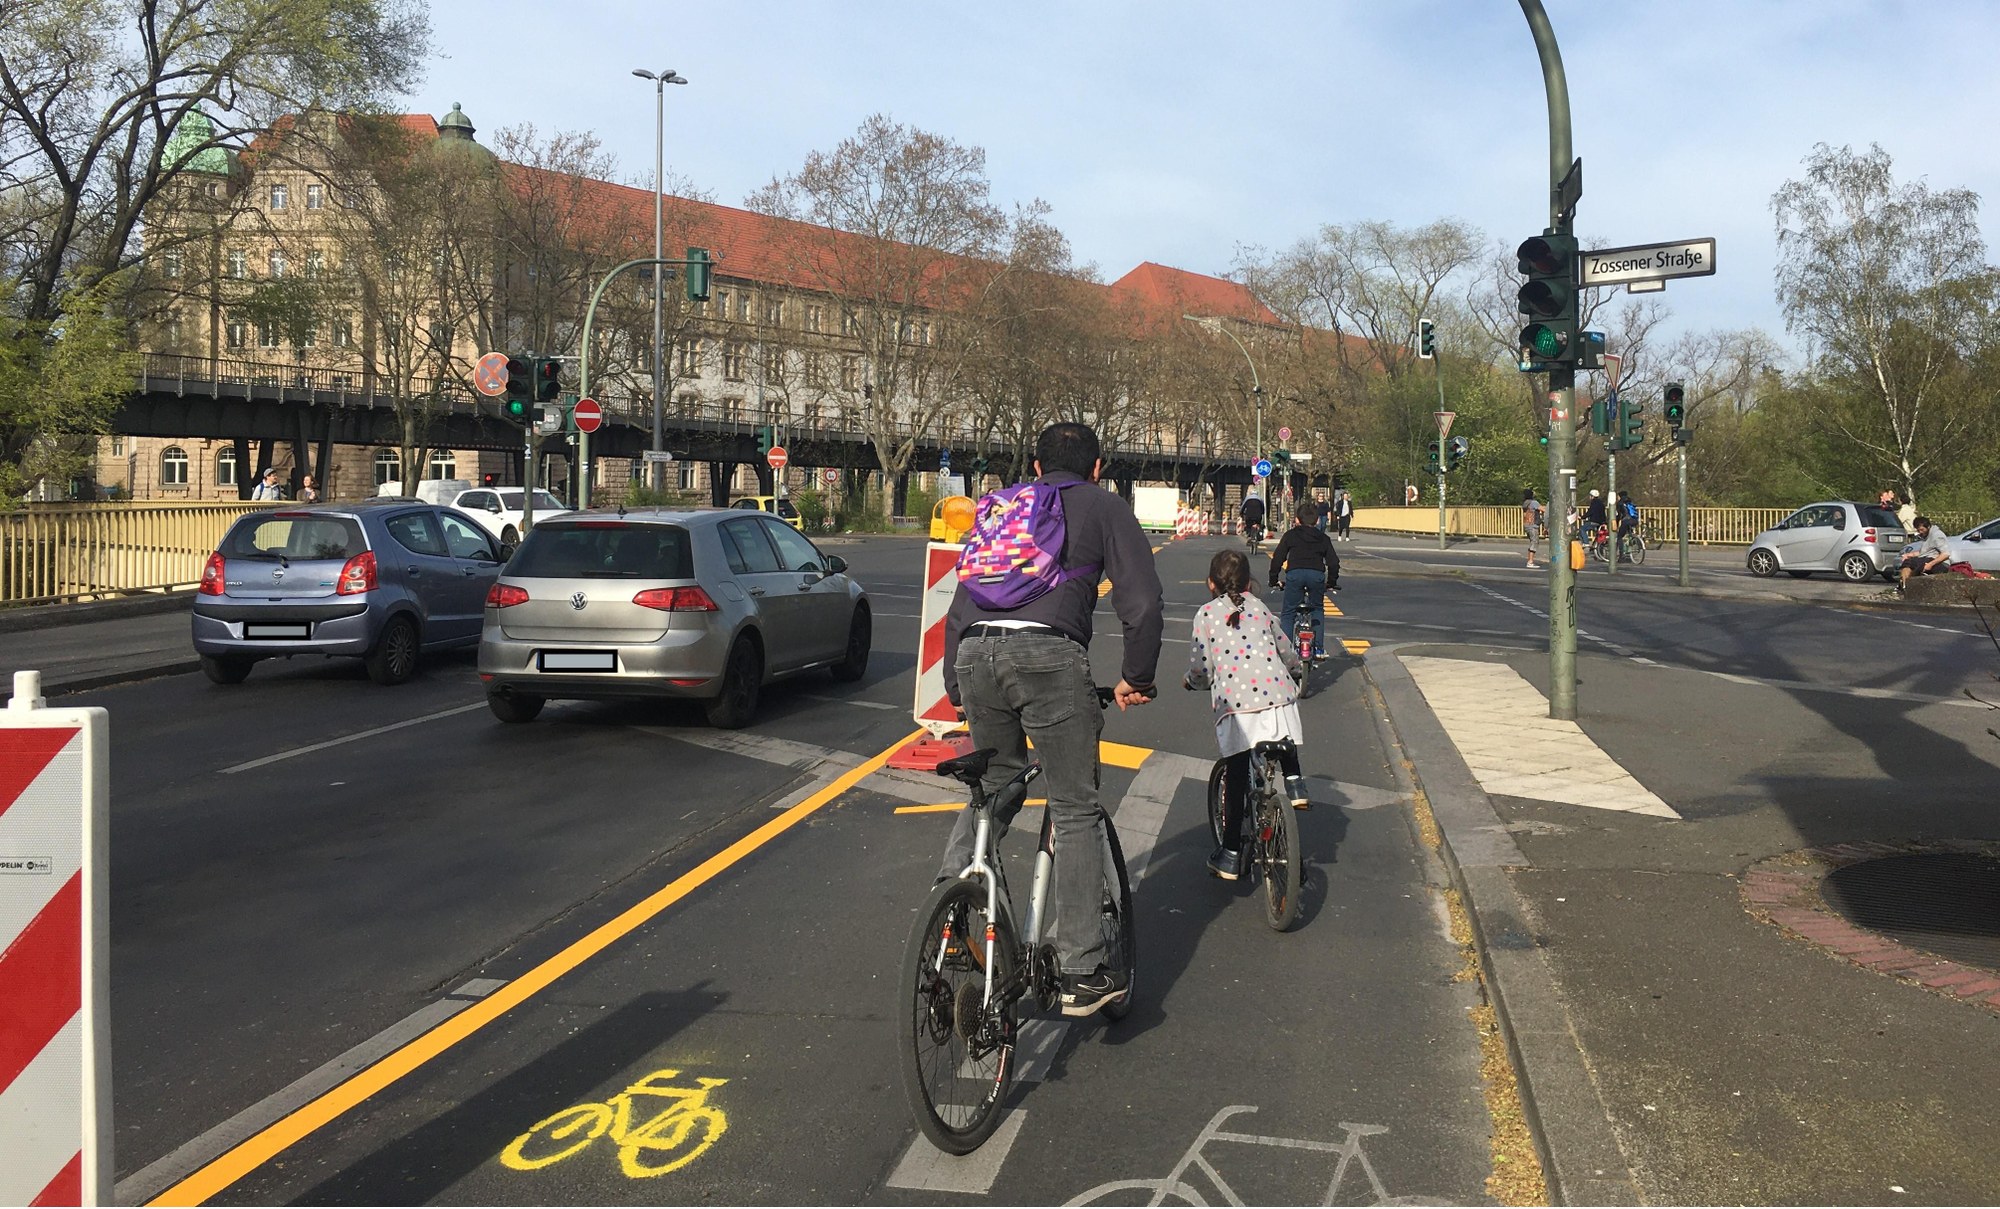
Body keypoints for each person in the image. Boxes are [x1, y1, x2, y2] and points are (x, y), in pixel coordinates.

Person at [939, 422, 1163, 1016]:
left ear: (1036, 468)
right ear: (1096, 468)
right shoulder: (1104, 506)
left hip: (976, 652)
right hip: (1049, 655)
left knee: (993, 788)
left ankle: (953, 909)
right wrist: (1137, 678)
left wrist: (955, 687)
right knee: (1073, 806)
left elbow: (964, 599)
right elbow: (1141, 600)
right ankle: (1082, 967)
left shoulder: (1004, 510)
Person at [1187, 548, 1307, 880]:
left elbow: (1200, 666)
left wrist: (1192, 682)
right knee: (1282, 740)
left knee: (1237, 776)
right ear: (1248, 583)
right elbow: (1285, 648)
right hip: (1279, 698)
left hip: (1237, 709)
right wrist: (1295, 670)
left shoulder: (1206, 614)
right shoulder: (1260, 607)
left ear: (1210, 583)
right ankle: (1295, 786)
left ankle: (1230, 854)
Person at [1269, 500, 1338, 660]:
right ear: (1317, 520)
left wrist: (1274, 579)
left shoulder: (1290, 535)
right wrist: (1331, 582)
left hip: (1295, 574)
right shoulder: (1323, 538)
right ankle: (1319, 649)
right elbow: (1333, 562)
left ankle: (1286, 651)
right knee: (1317, 609)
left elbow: (1277, 558)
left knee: (1289, 613)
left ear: (1297, 520)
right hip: (1316, 576)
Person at [1899, 516, 1953, 590]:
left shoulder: (1937, 535)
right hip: (1928, 559)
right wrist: (1908, 555)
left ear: (1928, 526)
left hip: (1941, 564)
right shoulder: (1927, 537)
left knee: (1911, 563)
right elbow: (1924, 552)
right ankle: (1905, 585)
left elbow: (1946, 554)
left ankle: (1905, 586)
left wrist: (1930, 564)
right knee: (1908, 562)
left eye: (1922, 529)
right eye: (1918, 530)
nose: (1920, 532)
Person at [1522, 489, 1546, 568]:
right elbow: (1543, 509)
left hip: (1526, 524)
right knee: (1534, 542)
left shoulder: (1525, 503)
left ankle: (1530, 560)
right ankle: (1530, 562)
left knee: (1532, 542)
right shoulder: (1534, 502)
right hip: (1533, 525)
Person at [1614, 491, 1639, 560]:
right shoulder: (1630, 501)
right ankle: (1631, 547)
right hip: (1635, 520)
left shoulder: (1620, 503)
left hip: (1626, 521)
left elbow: (1618, 515)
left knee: (1619, 536)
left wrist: (1616, 523)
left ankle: (1621, 555)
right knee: (1628, 535)